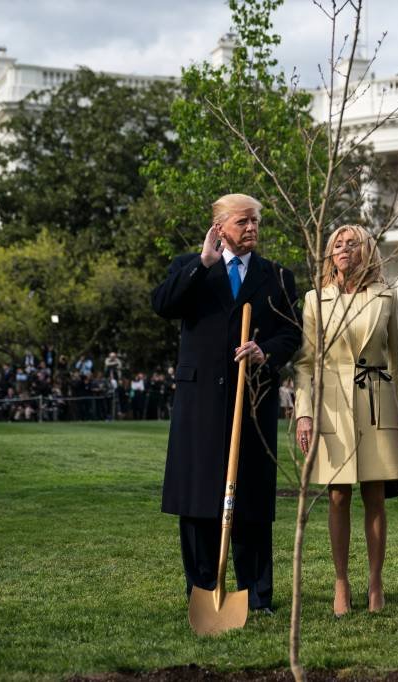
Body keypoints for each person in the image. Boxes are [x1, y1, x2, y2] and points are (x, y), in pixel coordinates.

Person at [151, 192, 301, 614]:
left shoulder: (277, 276)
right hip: (199, 403)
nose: (251, 228)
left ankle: (256, 595)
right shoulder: (189, 268)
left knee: (251, 501)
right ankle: (201, 591)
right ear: (219, 228)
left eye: (255, 221)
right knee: (199, 500)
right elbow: (162, 305)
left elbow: (292, 334)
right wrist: (202, 264)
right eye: (242, 222)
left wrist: (264, 351)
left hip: (252, 402)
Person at [294, 225, 398, 617]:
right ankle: (341, 582)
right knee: (338, 494)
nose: (344, 249)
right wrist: (304, 411)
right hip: (331, 405)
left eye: (353, 243)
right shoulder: (315, 300)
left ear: (367, 251)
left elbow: (394, 358)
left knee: (375, 495)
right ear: (330, 255)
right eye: (338, 244)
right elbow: (306, 362)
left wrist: (394, 410)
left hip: (376, 401)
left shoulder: (386, 296)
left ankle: (376, 581)